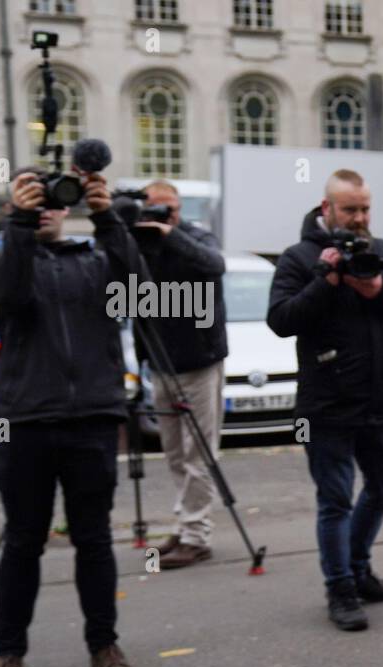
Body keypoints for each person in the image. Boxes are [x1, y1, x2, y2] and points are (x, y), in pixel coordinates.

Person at [0, 165, 146, 667]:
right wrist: (20, 225)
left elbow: (137, 292)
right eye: (34, 197)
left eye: (54, 197)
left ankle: (105, 649)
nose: (47, 204)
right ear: (15, 204)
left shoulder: (95, 262)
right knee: (25, 540)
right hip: (24, 421)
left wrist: (107, 216)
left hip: (93, 418)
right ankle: (8, 657)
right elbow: (9, 296)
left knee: (93, 539)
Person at [267, 169, 383, 631]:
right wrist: (327, 280)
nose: (359, 218)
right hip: (327, 405)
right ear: (327, 209)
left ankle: (357, 568)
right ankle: (340, 588)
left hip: (378, 401)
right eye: (349, 209)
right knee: (335, 500)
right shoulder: (301, 257)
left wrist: (379, 290)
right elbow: (280, 319)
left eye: (364, 208)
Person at [132, 179, 229, 569]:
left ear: (179, 208)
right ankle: (186, 522)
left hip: (200, 362)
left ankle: (197, 535)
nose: (161, 215)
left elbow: (214, 265)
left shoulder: (195, 238)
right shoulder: (140, 244)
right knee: (173, 453)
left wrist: (171, 234)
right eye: (153, 208)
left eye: (168, 208)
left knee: (198, 454)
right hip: (160, 364)